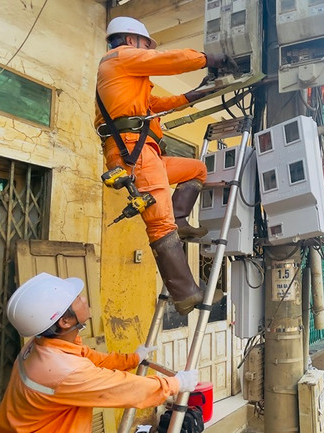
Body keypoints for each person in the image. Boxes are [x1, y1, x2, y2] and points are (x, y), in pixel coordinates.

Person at [95, 17, 235, 315]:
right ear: (131, 40)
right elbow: (170, 60)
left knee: (196, 169)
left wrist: (193, 95)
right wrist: (209, 59)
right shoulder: (120, 57)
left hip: (143, 153)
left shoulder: (125, 79)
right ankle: (186, 295)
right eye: (146, 44)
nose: (147, 50)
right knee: (159, 222)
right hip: (134, 150)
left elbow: (156, 105)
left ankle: (181, 221)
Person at [0, 273, 199, 432]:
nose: (84, 298)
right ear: (65, 322)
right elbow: (122, 387)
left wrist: (133, 358)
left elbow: (89, 357)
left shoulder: (43, 344)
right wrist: (175, 384)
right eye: (77, 299)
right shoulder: (63, 372)